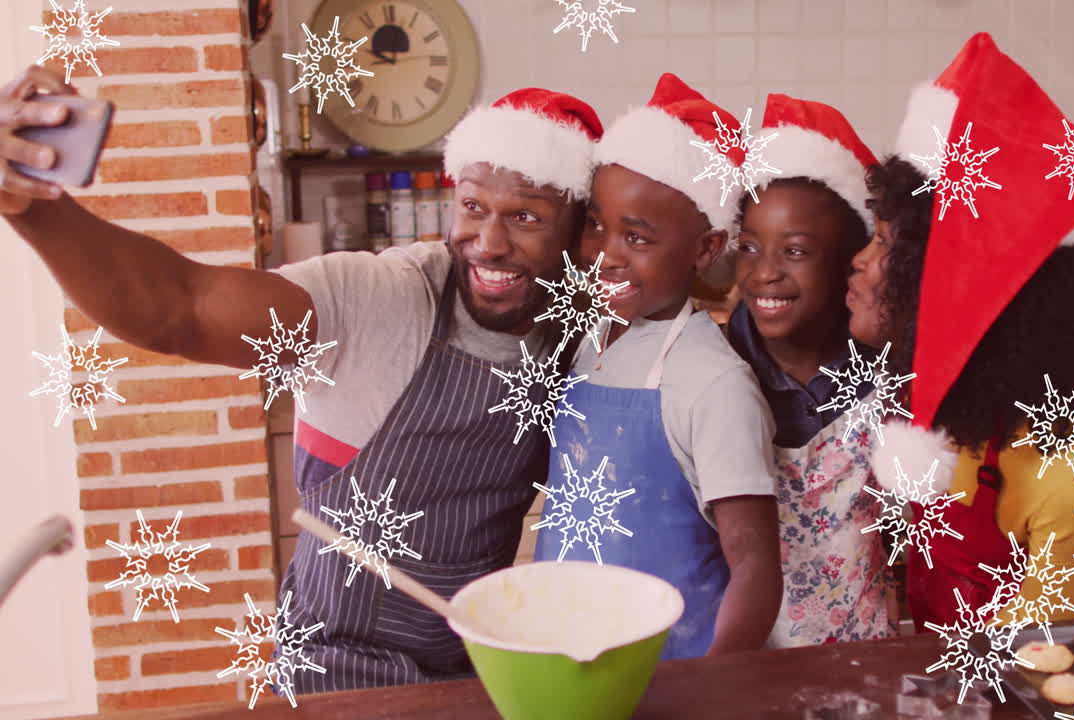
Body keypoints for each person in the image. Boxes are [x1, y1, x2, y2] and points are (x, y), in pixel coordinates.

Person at [0, 65, 604, 691]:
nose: (489, 242)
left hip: (477, 675)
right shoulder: (379, 300)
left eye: (526, 219)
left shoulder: (578, 322)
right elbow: (178, 308)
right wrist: (37, 211)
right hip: (334, 677)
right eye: (473, 207)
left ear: (578, 233)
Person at [851, 33, 1074, 631]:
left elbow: (1033, 652)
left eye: (885, 243)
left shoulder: (1064, 472)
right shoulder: (949, 391)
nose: (859, 260)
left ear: (958, 281)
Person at [532, 73, 782, 659]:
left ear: (705, 249)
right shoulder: (586, 343)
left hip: (675, 675)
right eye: (597, 225)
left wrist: (717, 683)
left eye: (637, 238)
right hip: (573, 657)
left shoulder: (712, 383)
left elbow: (754, 564)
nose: (607, 255)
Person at [725, 93, 897, 646]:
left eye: (795, 251)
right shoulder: (718, 370)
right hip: (744, 654)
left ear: (853, 257)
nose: (764, 273)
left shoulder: (891, 366)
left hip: (867, 647)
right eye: (749, 247)